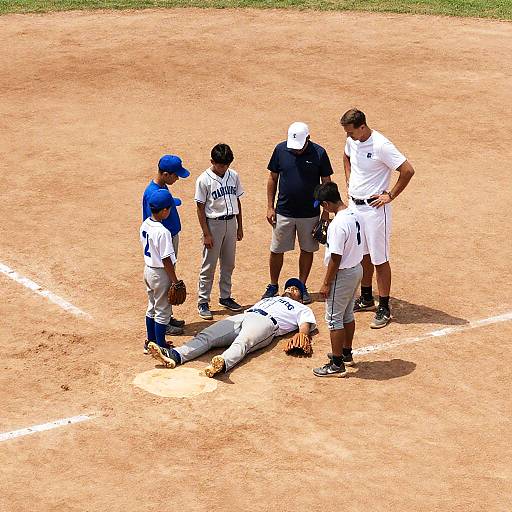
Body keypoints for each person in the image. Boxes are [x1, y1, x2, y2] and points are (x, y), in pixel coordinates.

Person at [148, 278, 316, 378]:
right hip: (244, 316)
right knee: (208, 335)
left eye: (295, 290)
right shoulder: (271, 298)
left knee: (243, 342)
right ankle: (175, 355)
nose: (290, 289)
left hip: (266, 323)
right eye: (288, 287)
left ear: (300, 299)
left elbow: (305, 325)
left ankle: (222, 363)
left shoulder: (302, 308)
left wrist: (303, 335)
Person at [340, 109, 415, 328]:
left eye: (351, 132)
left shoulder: (381, 145)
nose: (349, 136)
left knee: (379, 258)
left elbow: (408, 170)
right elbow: (346, 154)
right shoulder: (352, 140)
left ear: (362, 127)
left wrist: (389, 195)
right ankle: (366, 297)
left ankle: (384, 306)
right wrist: (349, 178)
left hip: (374, 210)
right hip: (355, 205)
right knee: (362, 253)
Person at [262, 122, 334, 304]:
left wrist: (325, 213)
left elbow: (327, 183)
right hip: (284, 211)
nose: (295, 151)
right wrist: (270, 206)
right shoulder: (280, 150)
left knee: (307, 249)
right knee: (276, 249)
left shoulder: (319, 153)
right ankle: (272, 285)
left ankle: (302, 286)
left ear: (308, 139)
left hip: (309, 213)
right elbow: (273, 178)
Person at [311, 182, 363, 377]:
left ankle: (336, 363)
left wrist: (326, 282)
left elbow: (336, 257)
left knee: (333, 319)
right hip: (356, 270)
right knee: (347, 314)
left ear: (327, 203)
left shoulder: (337, 224)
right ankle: (346, 353)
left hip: (342, 275)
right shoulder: (354, 214)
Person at [195, 143, 244, 320]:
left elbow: (237, 201)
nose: (223, 168)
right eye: (220, 165)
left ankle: (225, 297)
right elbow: (200, 208)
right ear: (212, 161)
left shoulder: (234, 176)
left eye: (226, 165)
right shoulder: (203, 180)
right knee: (209, 265)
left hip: (231, 222)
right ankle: (202, 301)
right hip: (213, 224)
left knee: (229, 263)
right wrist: (206, 233)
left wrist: (240, 225)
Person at [142, 154, 190, 335]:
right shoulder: (153, 194)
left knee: (167, 283)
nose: (178, 178)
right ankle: (163, 323)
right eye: (176, 175)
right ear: (165, 174)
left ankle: (167, 317)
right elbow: (154, 223)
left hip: (168, 240)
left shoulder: (161, 188)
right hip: (164, 244)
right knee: (166, 283)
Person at [140, 189, 185, 355]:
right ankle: (161, 348)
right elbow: (166, 259)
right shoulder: (163, 232)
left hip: (148, 270)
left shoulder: (145, 224)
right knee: (163, 312)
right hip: (160, 274)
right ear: (165, 210)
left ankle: (150, 342)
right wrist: (175, 280)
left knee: (151, 307)